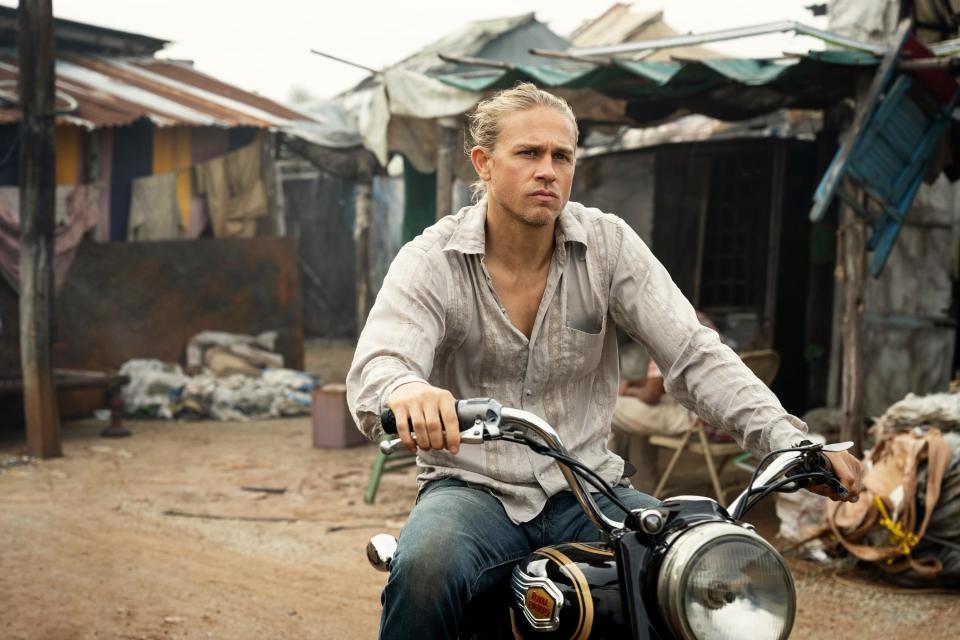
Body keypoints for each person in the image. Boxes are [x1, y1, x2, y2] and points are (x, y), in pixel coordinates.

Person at [347, 83, 861, 640]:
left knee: (696, 566)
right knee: (424, 571)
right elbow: (383, 360)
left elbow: (692, 353)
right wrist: (405, 391)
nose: (548, 170)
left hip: (586, 489)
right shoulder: (432, 260)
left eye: (561, 156)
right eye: (528, 153)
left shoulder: (608, 245)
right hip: (471, 490)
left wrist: (787, 440)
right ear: (485, 164)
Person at [610, 311, 730, 493]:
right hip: (723, 417)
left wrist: (627, 390)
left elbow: (651, 395)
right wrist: (636, 385)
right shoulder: (698, 318)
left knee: (606, 410)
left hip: (697, 420)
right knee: (637, 423)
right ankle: (643, 490)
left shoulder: (661, 328)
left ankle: (602, 489)